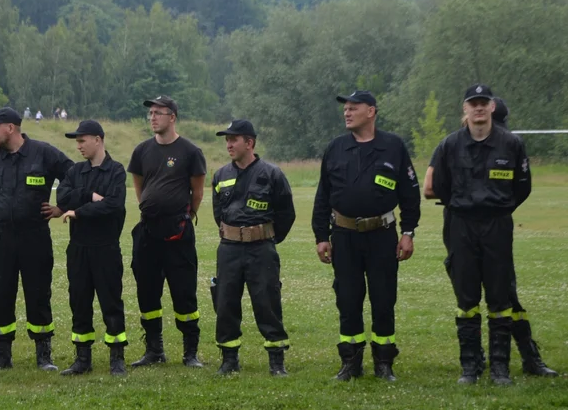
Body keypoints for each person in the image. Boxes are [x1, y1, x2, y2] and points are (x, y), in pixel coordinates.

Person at [423, 97, 556, 378]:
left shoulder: (507, 143)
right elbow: (431, 187)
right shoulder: (451, 145)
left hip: (495, 226)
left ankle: (518, 360)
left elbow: (521, 186)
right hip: (461, 224)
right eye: (474, 106)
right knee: (475, 293)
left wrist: (499, 205)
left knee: (505, 296)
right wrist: (465, 198)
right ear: (466, 111)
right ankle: (481, 362)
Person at [312, 90, 420, 382]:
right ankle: (351, 361)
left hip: (382, 235)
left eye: (353, 108)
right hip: (345, 236)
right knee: (347, 299)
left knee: (384, 299)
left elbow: (410, 195)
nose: (347, 113)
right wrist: (322, 236)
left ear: (371, 111)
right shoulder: (335, 148)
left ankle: (384, 362)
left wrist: (408, 232)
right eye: (345, 109)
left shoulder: (393, 146)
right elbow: (323, 196)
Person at [0, 107, 73, 371]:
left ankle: (43, 355)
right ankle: (2, 355)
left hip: (35, 236)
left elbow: (73, 175)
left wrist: (62, 206)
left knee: (38, 293)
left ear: (10, 128)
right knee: (1, 294)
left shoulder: (44, 153)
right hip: (1, 237)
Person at [210, 120, 296, 376]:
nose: (228, 145)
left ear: (249, 143)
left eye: (233, 140)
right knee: (225, 303)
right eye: (226, 140)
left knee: (267, 302)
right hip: (229, 248)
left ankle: (276, 360)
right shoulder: (221, 175)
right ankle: (229, 359)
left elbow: (286, 213)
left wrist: (264, 236)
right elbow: (218, 213)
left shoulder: (272, 174)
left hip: (261, 249)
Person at [127, 95, 207, 368]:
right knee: (147, 292)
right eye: (150, 113)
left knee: (184, 292)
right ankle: (154, 350)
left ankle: (190, 352)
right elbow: (139, 185)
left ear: (172, 117)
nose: (152, 117)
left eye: (158, 113)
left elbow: (197, 192)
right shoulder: (141, 151)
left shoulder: (190, 151)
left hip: (179, 232)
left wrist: (186, 215)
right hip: (148, 231)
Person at [56, 120, 128, 376]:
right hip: (79, 249)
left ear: (98, 139)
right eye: (76, 141)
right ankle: (82, 358)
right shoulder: (76, 171)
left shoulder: (116, 171)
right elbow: (61, 197)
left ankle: (117, 357)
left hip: (105, 248)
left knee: (111, 302)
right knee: (79, 301)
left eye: (82, 140)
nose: (79, 146)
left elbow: (113, 205)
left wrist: (79, 211)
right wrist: (89, 196)